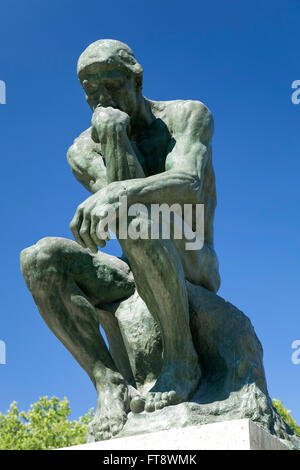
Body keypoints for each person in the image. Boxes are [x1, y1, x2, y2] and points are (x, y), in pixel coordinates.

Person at [20, 39, 220, 440]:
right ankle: (108, 382)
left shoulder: (186, 116)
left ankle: (183, 360)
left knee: (132, 212)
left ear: (138, 79)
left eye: (111, 83)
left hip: (193, 254)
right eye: (90, 89)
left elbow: (188, 184)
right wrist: (114, 137)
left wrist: (116, 193)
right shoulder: (81, 149)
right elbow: (117, 198)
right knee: (39, 258)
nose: (101, 97)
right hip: (134, 262)